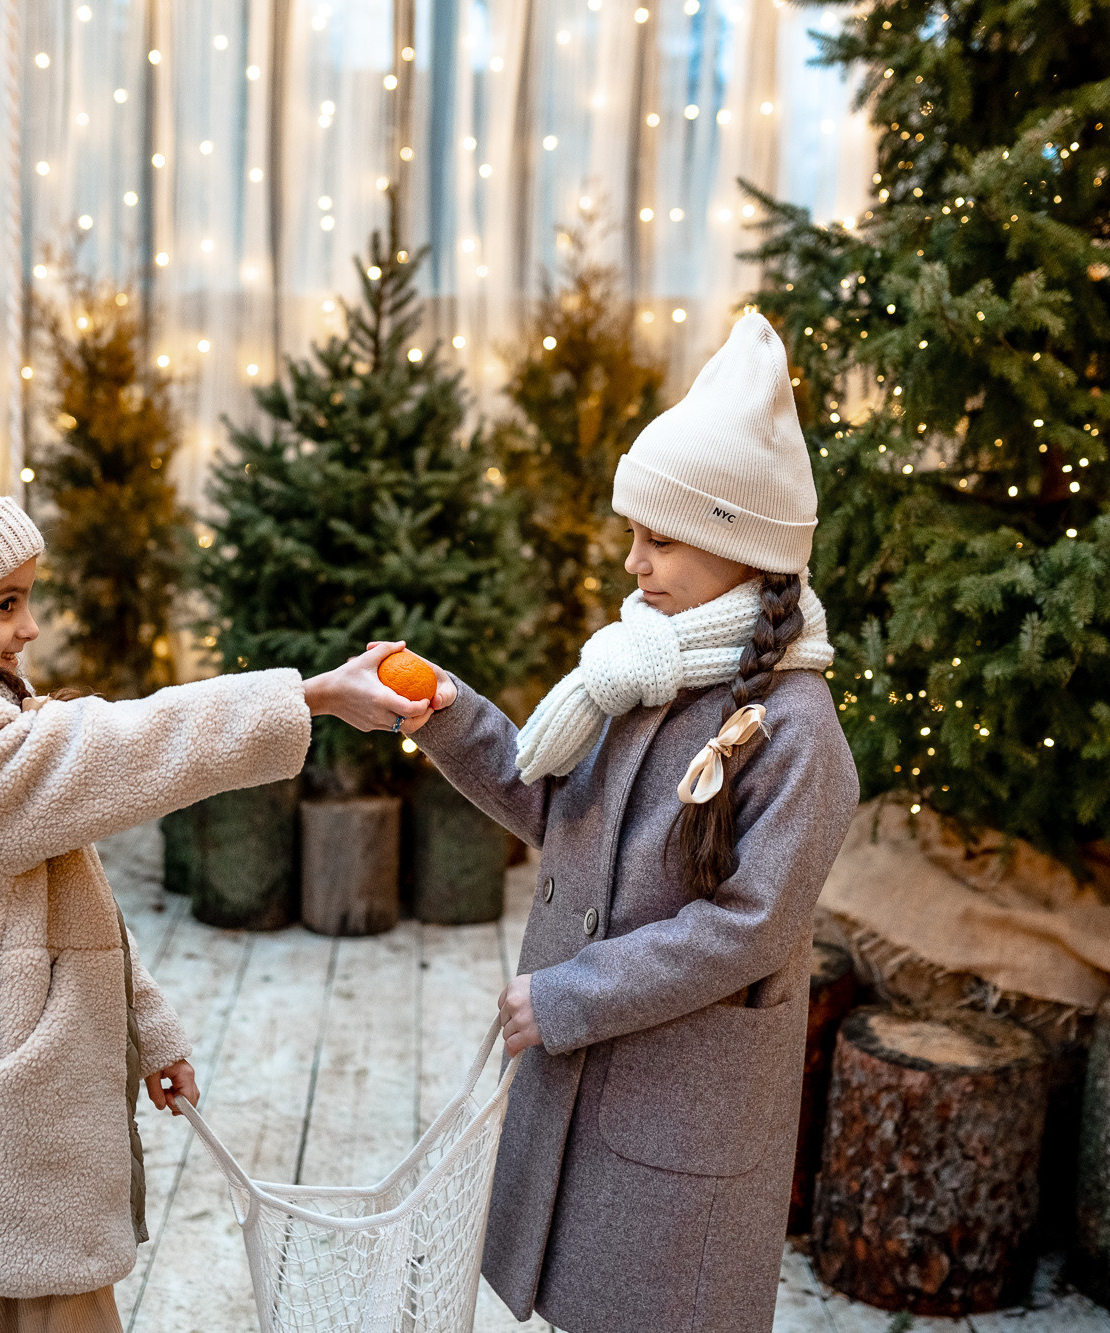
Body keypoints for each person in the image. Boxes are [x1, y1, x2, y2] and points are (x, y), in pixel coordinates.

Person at [0, 402, 421, 1333]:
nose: (30, 626)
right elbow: (132, 742)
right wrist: (314, 696)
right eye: (6, 604)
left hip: (0, 1118)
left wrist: (151, 1030)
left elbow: (72, 904)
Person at [374, 313, 860, 1332]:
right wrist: (451, 716)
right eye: (631, 534)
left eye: (660, 538)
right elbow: (560, 810)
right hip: (591, 1075)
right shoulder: (639, 669)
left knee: (653, 1303)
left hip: (681, 1096)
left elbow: (749, 925)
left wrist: (569, 994)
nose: (633, 562)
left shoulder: (796, 731)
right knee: (582, 1300)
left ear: (740, 544)